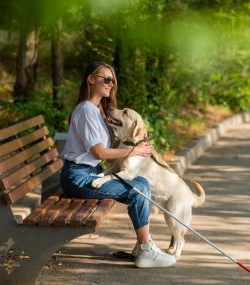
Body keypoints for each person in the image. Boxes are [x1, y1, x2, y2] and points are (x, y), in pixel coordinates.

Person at [60, 61, 176, 268]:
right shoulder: (86, 110)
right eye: (106, 79)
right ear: (91, 80)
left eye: (112, 80)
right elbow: (99, 152)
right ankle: (145, 248)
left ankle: (143, 246)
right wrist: (134, 151)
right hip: (78, 177)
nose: (110, 83)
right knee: (138, 188)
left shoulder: (96, 110)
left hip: (89, 173)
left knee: (141, 182)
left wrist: (137, 139)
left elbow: (109, 146)